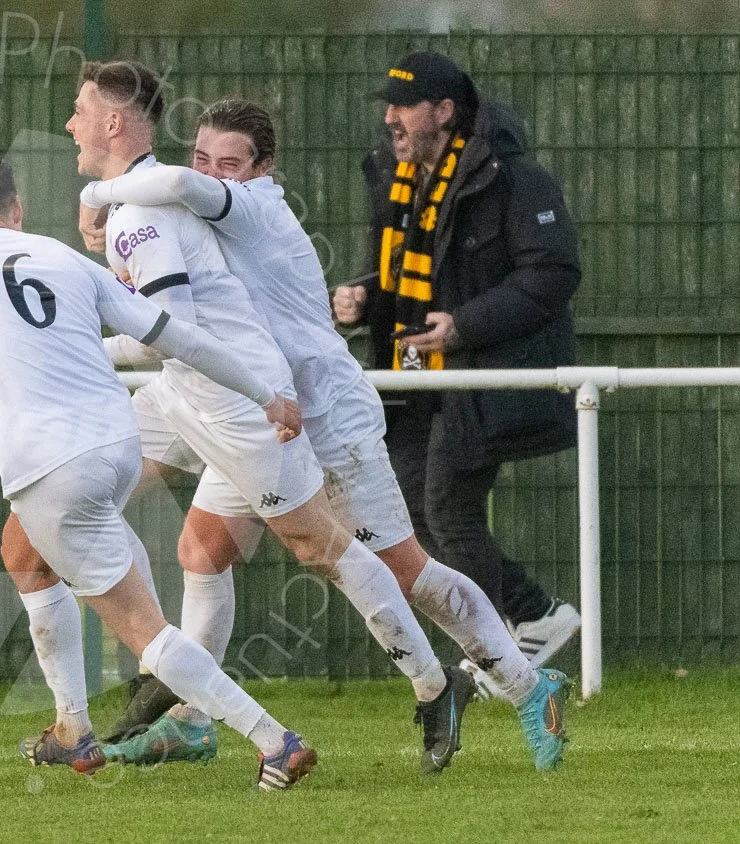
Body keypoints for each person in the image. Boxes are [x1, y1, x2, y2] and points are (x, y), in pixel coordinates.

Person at [1, 58, 477, 775]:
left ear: (113, 121)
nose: (69, 124)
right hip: (181, 394)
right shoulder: (137, 207)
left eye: (79, 110)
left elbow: (169, 332)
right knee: (46, 524)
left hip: (236, 403)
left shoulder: (139, 218)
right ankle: (114, 710)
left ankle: (434, 687)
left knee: (322, 548)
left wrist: (79, 350)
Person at [79, 97, 570, 771]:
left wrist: (97, 194)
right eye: (203, 157)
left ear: (263, 170)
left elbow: (174, 186)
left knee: (405, 570)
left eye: (230, 163)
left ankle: (526, 685)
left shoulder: (251, 206)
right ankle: (194, 719)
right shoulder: (190, 215)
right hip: (257, 409)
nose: (213, 172)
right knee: (202, 550)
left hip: (325, 415)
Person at [0, 156, 319, 790]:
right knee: (22, 550)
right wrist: (266, 394)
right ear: (17, 211)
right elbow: (180, 338)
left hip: (51, 468)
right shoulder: (64, 259)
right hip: (118, 446)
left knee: (143, 630)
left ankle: (275, 741)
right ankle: (71, 731)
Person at [333, 51, 583, 693]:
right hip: (413, 376)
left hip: (478, 379)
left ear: (444, 111)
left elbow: (553, 273)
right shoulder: (395, 177)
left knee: (448, 509)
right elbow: (406, 276)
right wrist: (364, 297)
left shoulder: (515, 180)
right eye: (388, 106)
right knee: (412, 516)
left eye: (404, 106)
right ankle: (534, 615)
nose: (390, 119)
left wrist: (463, 326)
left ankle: (497, 649)